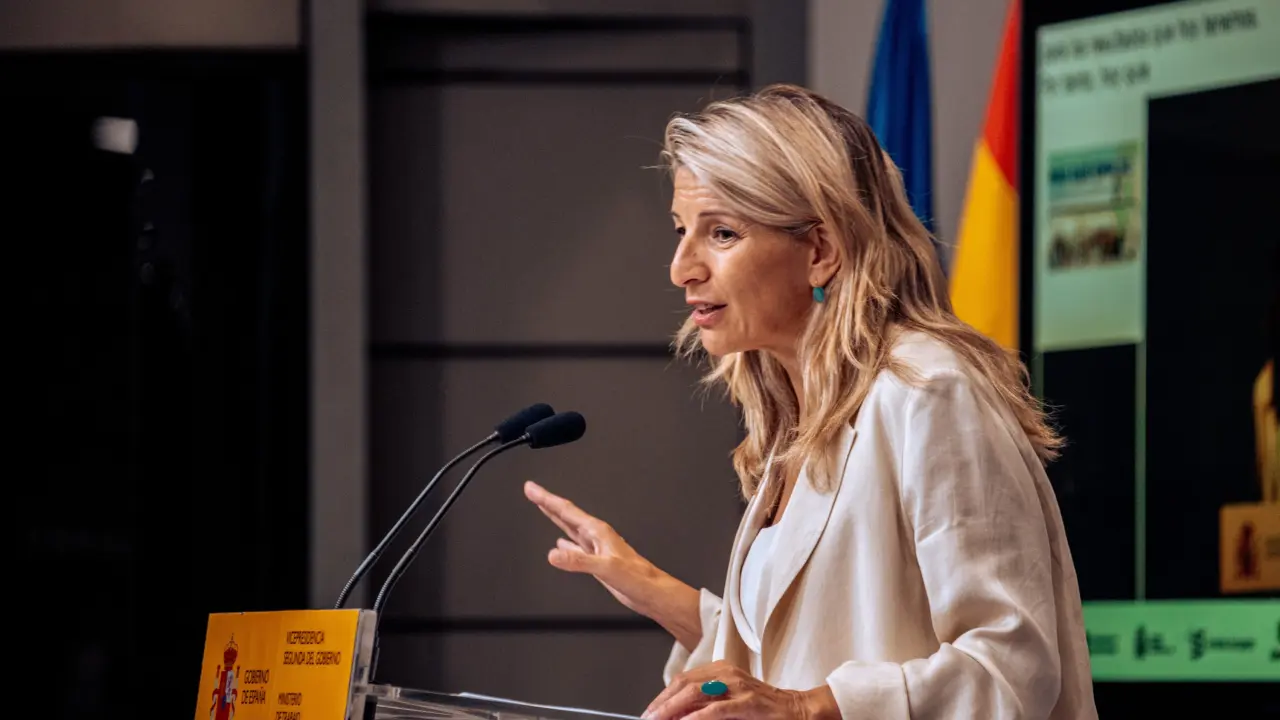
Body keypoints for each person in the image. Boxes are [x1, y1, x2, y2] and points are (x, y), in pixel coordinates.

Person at [524, 85, 1097, 720]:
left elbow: (1011, 670)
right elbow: (800, 652)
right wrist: (649, 585)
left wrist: (804, 708)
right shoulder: (798, 417)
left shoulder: (929, 391)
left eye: (721, 232)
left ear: (820, 251)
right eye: (682, 231)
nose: (681, 268)